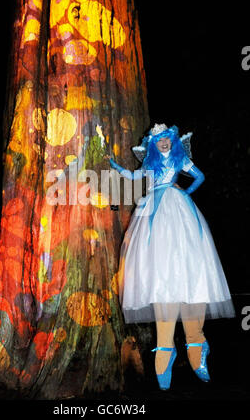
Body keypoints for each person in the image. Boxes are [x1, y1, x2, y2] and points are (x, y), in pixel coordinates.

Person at [108, 123, 235, 391]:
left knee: (191, 265)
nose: (164, 144)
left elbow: (199, 176)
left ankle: (195, 342)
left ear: (173, 142)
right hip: (154, 211)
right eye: (160, 141)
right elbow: (133, 177)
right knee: (159, 271)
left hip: (179, 209)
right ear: (153, 145)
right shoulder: (151, 166)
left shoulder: (180, 160)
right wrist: (117, 168)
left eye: (167, 140)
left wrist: (185, 192)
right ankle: (166, 346)